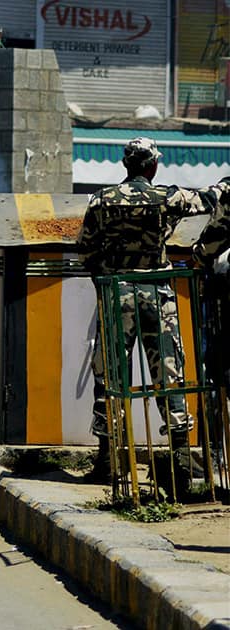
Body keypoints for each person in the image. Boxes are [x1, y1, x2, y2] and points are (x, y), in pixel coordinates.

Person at [76, 137, 230, 490]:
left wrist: (105, 277)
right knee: (170, 375)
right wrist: (225, 185)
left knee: (111, 377)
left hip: (116, 294)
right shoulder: (166, 197)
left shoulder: (101, 200)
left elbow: (85, 248)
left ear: (127, 164)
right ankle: (178, 458)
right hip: (157, 294)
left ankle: (110, 461)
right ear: (152, 166)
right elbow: (207, 199)